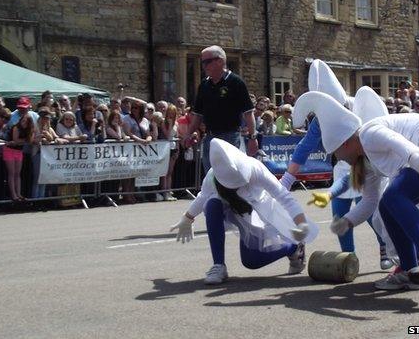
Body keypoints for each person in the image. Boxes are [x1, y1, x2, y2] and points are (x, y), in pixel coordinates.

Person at [293, 91, 419, 290]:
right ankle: (409, 270)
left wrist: (416, 159)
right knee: (386, 205)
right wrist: (347, 222)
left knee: (395, 196)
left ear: (344, 143)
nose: (339, 159)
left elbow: (396, 141)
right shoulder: (367, 162)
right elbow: (370, 201)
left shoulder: (368, 133)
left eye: (337, 154)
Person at [281, 60, 391, 270]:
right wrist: (287, 180)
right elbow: (305, 147)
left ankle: (385, 247)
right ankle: (349, 258)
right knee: (339, 216)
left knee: (371, 212)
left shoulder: (360, 106)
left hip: (368, 165)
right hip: (344, 167)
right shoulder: (320, 120)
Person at [170, 139, 318, 284]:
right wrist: (187, 218)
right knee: (212, 204)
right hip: (230, 208)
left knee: (251, 261)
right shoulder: (212, 176)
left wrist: (301, 224)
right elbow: (203, 196)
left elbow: (284, 197)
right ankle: (218, 265)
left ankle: (293, 247)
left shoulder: (256, 168)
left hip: (254, 211)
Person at [183, 45, 258, 171]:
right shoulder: (204, 85)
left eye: (207, 62)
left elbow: (248, 113)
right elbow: (198, 115)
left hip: (230, 136)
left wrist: (252, 138)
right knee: (210, 176)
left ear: (220, 61)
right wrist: (188, 134)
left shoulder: (236, 82)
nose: (204, 66)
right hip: (210, 137)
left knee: (228, 175)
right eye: (202, 62)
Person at [4, 114, 35, 201]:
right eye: (22, 121)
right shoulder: (16, 127)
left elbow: (30, 140)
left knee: (18, 173)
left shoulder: (30, 130)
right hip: (9, 150)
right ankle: (14, 195)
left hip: (19, 151)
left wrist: (22, 141)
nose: (23, 123)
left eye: (26, 122)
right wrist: (24, 141)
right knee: (12, 173)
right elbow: (16, 140)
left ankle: (18, 194)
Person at [159, 104, 179, 201]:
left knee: (170, 172)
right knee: (165, 172)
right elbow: (167, 136)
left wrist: (177, 150)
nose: (171, 115)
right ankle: (164, 192)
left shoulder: (177, 123)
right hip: (165, 148)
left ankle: (169, 191)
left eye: (173, 113)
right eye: (169, 113)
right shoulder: (163, 122)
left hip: (173, 148)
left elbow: (176, 137)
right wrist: (170, 124)